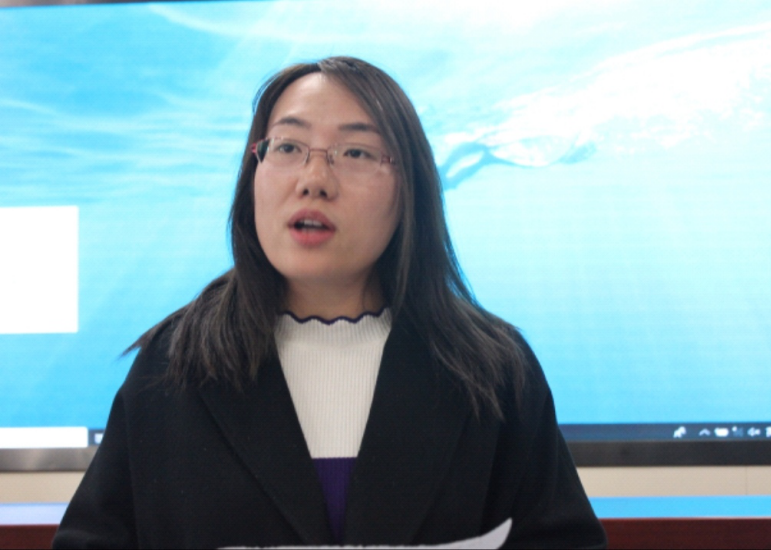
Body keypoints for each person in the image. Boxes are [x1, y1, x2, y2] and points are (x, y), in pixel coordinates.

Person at [53, 56, 606, 549]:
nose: (314, 180)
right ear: (253, 171)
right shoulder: (172, 366)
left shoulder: (494, 371)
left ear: (410, 187)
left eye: (356, 152)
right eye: (288, 147)